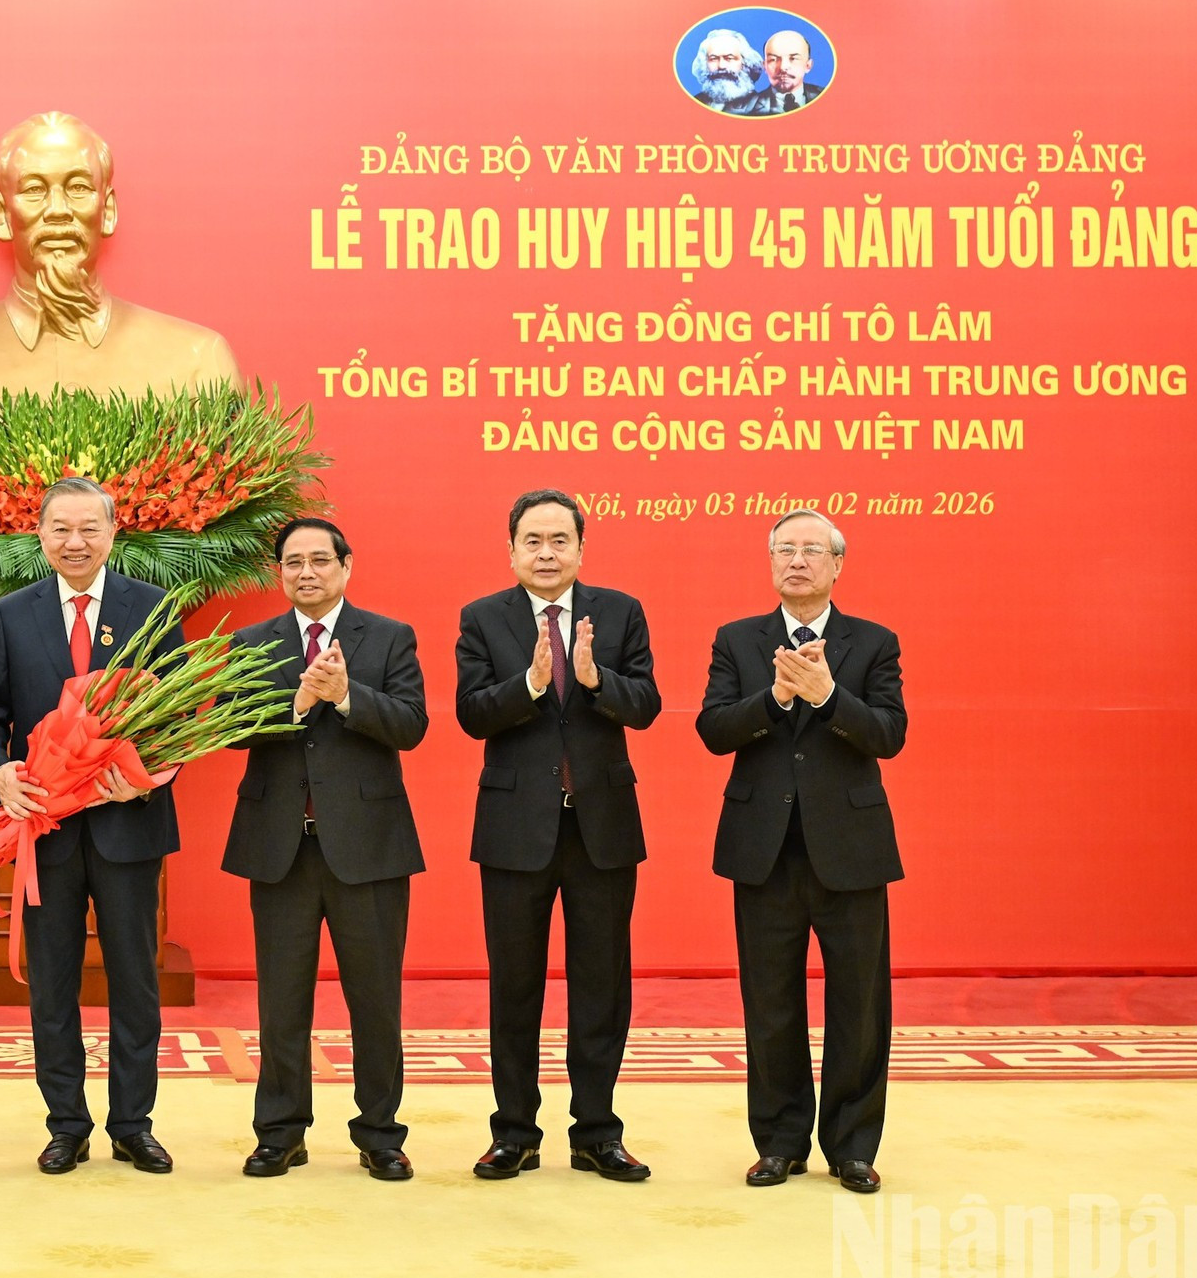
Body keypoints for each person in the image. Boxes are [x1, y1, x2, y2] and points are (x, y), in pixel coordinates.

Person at [0, 475, 185, 1174]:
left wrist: (151, 773)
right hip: (48, 830)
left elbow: (181, 718)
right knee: (54, 979)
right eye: (61, 528)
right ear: (40, 535)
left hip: (129, 824)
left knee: (133, 978)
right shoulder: (12, 613)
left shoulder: (151, 609)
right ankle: (66, 1122)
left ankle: (132, 1122)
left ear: (114, 533)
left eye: (89, 528)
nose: (75, 541)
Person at [696, 509, 905, 1194]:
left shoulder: (873, 642)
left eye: (813, 550)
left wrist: (831, 696)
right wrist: (776, 695)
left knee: (859, 1004)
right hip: (765, 853)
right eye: (786, 548)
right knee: (771, 1002)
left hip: (850, 852)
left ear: (838, 564)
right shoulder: (739, 639)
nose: (798, 560)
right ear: (771, 561)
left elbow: (888, 734)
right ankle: (780, 1140)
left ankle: (852, 1146)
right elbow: (714, 729)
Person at [456, 489, 660, 1183]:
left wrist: (596, 678)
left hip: (601, 828)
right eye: (533, 540)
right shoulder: (483, 618)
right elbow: (472, 715)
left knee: (602, 985)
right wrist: (530, 682)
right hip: (516, 832)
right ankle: (513, 1131)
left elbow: (648, 705)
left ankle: (597, 1131)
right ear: (510, 548)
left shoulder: (621, 612)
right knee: (515, 986)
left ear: (580, 547)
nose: (546, 552)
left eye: (559, 540)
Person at [221, 518, 427, 1182]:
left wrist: (346, 698)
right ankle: (280, 1131)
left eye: (318, 559)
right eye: (292, 562)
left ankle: (380, 1133)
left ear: (345, 565)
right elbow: (231, 726)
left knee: (374, 1000)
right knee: (282, 1001)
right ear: (279, 572)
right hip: (281, 847)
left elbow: (412, 724)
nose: (305, 571)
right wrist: (297, 700)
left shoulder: (389, 636)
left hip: (367, 848)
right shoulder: (253, 642)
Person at [0, 112, 240, 397]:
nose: (57, 209)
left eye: (78, 187)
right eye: (34, 189)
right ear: (1, 216)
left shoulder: (198, 366)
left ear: (108, 210)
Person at [731, 30, 827, 115]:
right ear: (764, 66)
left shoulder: (828, 98)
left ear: (808, 65)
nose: (783, 67)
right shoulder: (747, 109)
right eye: (773, 59)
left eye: (793, 58)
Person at [688, 29, 763, 110]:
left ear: (745, 63)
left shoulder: (761, 106)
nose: (721, 65)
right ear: (704, 64)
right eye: (714, 59)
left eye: (729, 58)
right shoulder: (694, 103)